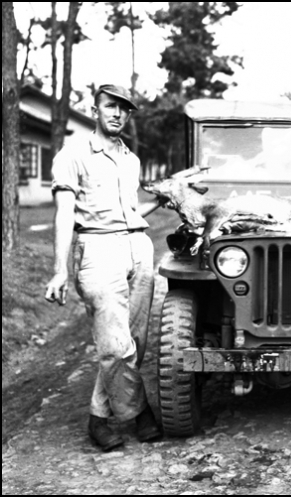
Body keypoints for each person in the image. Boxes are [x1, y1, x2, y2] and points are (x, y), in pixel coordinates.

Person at [44, 84, 163, 452]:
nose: (117, 114)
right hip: (96, 249)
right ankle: (136, 412)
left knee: (134, 342)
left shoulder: (131, 158)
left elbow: (129, 211)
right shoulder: (73, 154)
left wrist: (162, 200)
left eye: (124, 110)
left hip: (137, 247)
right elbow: (64, 213)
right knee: (114, 346)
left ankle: (99, 416)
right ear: (95, 109)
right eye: (111, 107)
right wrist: (60, 270)